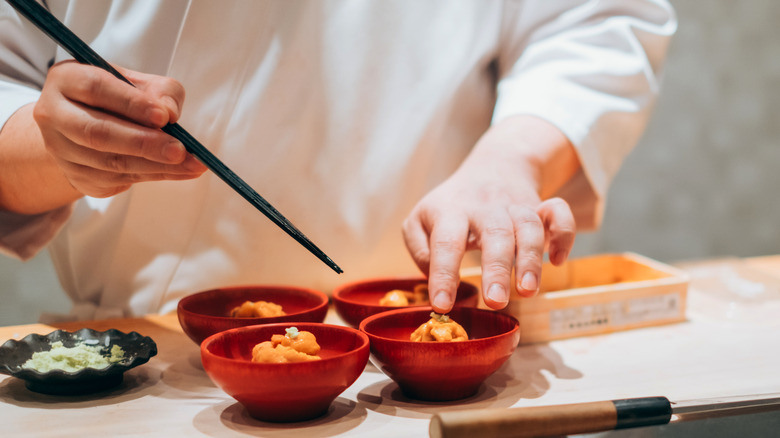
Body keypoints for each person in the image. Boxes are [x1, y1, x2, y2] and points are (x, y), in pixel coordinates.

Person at [0, 1, 676, 321]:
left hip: (446, 336)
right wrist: (62, 146)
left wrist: (512, 162)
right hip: (159, 357)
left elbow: (595, 23)